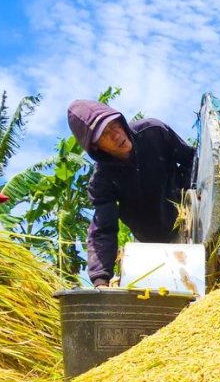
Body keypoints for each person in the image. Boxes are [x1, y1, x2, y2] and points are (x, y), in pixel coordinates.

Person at [67, 100, 196, 287]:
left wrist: (190, 198)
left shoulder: (153, 132)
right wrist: (101, 280)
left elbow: (192, 160)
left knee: (196, 283)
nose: (116, 135)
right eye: (104, 134)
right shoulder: (102, 181)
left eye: (114, 125)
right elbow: (103, 229)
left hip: (188, 224)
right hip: (148, 245)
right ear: (95, 146)